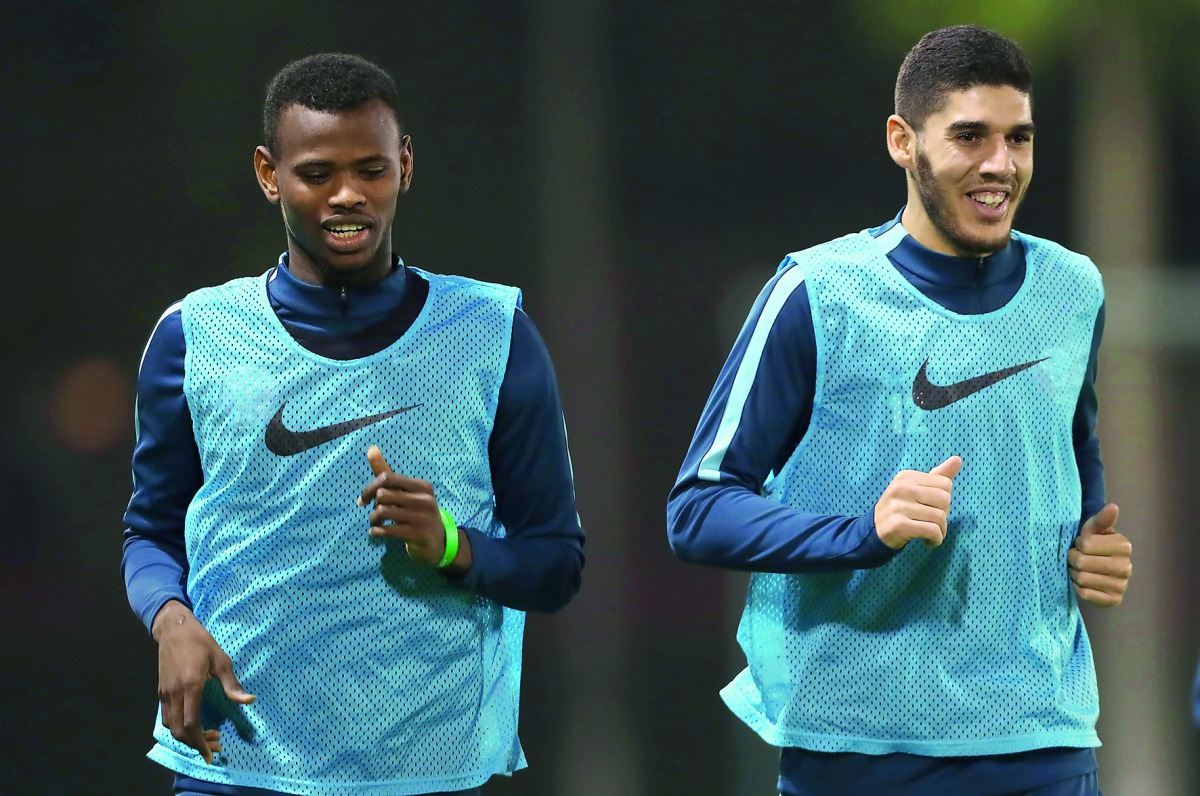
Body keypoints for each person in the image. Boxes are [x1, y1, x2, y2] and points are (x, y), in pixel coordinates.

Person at [667, 25, 1132, 796]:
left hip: (1043, 740)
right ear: (902, 141)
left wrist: (1091, 542)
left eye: (1018, 138)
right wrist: (862, 532)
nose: (1001, 163)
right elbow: (698, 511)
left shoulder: (1074, 289)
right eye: (970, 137)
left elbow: (1072, 447)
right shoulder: (818, 293)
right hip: (859, 751)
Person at [121, 53, 585, 796]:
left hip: (430, 769)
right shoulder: (194, 336)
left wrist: (453, 546)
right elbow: (150, 532)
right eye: (317, 174)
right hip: (235, 762)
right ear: (269, 174)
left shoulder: (493, 333)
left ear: (405, 165)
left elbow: (557, 564)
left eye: (371, 170)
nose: (348, 195)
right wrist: (171, 620)